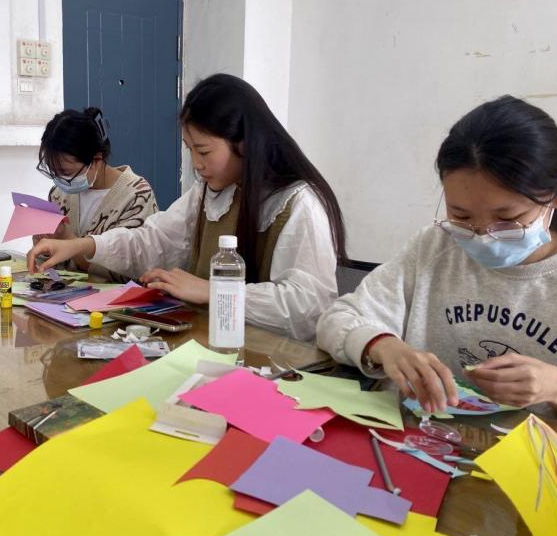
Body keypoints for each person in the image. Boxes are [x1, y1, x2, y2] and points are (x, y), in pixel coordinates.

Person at [318, 95, 557, 437]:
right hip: (421, 443)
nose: (482, 236)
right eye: (460, 215)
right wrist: (383, 346)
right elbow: (337, 318)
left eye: (507, 218)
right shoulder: (435, 247)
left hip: (540, 462)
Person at [29, 74, 348, 342]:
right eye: (189, 149)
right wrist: (83, 245)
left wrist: (213, 291)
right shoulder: (208, 193)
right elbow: (151, 241)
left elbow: (307, 308)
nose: (196, 164)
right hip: (208, 345)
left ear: (244, 143)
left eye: (204, 151)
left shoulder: (299, 203)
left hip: (273, 360)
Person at [36, 107, 158, 278]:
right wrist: (43, 248)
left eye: (66, 173)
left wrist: (66, 237)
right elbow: (53, 266)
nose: (60, 180)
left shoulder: (136, 195)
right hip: (63, 293)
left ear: (96, 160)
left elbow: (131, 271)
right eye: (54, 172)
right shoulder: (59, 194)